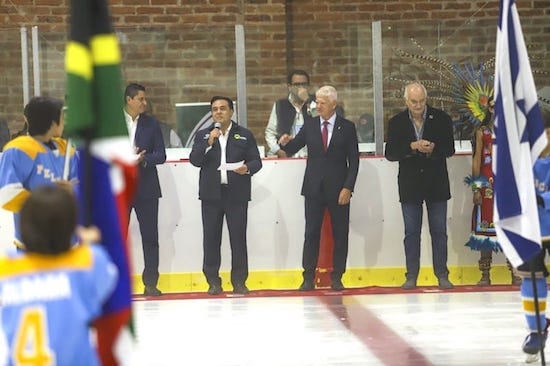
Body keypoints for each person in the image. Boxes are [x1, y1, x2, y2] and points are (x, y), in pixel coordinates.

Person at [0, 185, 118, 366]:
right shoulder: (87, 262)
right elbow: (109, 279)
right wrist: (91, 242)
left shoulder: (7, 267)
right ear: (72, 226)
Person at [278, 85, 359, 291]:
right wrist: (285, 143)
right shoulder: (310, 125)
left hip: (338, 189)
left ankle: (337, 276)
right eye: (317, 102)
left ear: (333, 104)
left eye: (323, 102)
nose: (318, 105)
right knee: (311, 233)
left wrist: (348, 187)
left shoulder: (347, 127)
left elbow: (354, 161)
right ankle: (307, 277)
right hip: (314, 188)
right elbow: (293, 147)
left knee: (340, 234)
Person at [384, 82, 455, 290]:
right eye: (414, 101)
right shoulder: (397, 122)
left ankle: (442, 274)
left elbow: (449, 148)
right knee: (411, 233)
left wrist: (433, 148)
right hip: (410, 185)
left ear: (426, 99)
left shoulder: (441, 118)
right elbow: (391, 154)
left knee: (439, 232)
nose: (418, 105)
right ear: (406, 101)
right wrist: (412, 146)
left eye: (422, 101)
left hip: (436, 184)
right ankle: (411, 275)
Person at [189, 96, 262, 295]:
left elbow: (257, 161)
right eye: (214, 109)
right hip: (211, 195)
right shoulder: (203, 135)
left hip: (236, 194)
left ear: (231, 111)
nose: (218, 112)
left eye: (222, 108)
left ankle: (239, 281)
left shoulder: (244, 134)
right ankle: (213, 281)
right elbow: (195, 160)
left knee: (238, 239)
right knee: (211, 239)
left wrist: (246, 168)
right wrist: (208, 142)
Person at [0, 96, 78, 250]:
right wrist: (48, 202)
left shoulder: (67, 149)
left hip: (66, 241)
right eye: (61, 117)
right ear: (53, 123)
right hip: (31, 241)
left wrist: (72, 190)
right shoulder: (17, 150)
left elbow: (83, 186)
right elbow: (7, 195)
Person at [464, 99, 521, 286]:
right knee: (486, 230)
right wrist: (475, 187)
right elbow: (476, 160)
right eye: (495, 105)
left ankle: (514, 272)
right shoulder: (482, 132)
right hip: (487, 186)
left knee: (510, 228)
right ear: (489, 108)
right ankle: (485, 274)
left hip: (508, 187)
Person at [124, 83, 166, 296]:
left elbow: (161, 155)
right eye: (141, 99)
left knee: (150, 237)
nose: (144, 103)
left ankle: (151, 283)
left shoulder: (151, 124)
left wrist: (142, 159)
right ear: (129, 100)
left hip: (146, 187)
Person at [516, 108, 550, 360]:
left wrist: (542, 198)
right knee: (531, 276)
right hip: (534, 230)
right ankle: (536, 329)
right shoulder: (523, 159)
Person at [265, 69, 313, 158]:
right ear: (289, 87)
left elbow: (322, 120)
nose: (301, 88)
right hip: (288, 155)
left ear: (309, 87)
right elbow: (270, 132)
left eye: (304, 84)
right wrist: (277, 150)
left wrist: (308, 101)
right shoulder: (281, 105)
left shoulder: (315, 103)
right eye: (297, 85)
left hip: (311, 156)